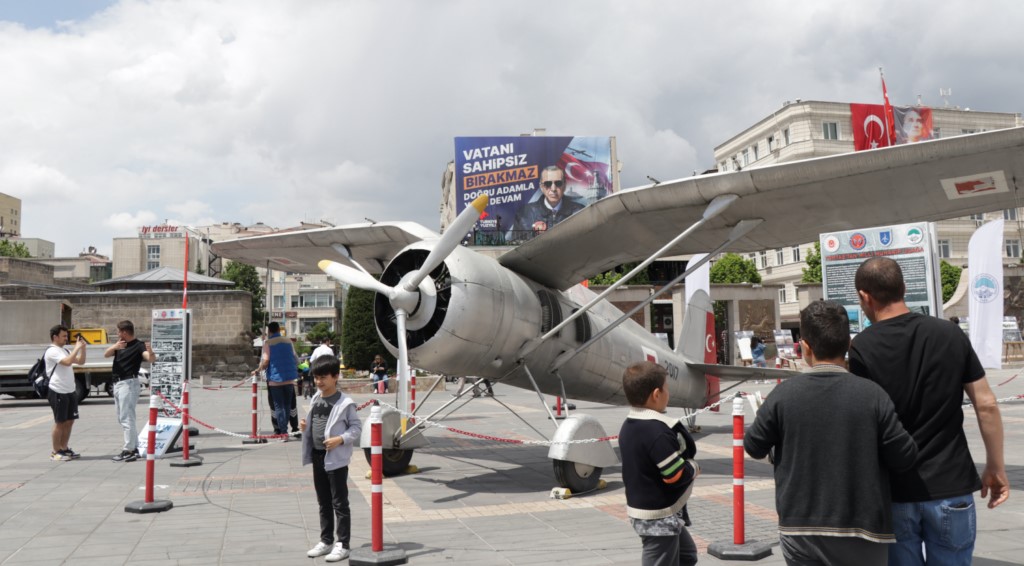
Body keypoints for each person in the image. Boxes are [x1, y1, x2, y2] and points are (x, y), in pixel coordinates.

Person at [849, 257, 1009, 565]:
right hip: (952, 486)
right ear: (904, 288)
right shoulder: (949, 334)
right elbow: (986, 404)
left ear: (864, 296)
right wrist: (995, 466)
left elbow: (862, 424)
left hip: (896, 492)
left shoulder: (862, 347)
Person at [744, 300, 919, 565]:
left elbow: (753, 445)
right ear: (849, 343)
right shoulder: (873, 395)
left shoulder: (784, 394)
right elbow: (904, 456)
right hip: (863, 529)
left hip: (800, 527)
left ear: (805, 347)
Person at [618, 360, 700, 566]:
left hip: (647, 510)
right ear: (656, 394)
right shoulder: (658, 431)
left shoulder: (629, 425)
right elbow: (674, 475)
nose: (668, 393)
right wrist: (693, 467)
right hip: (658, 515)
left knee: (686, 555)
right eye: (667, 389)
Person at [301, 354, 361, 563]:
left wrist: (340, 439)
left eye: (323, 377)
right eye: (316, 377)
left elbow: (356, 428)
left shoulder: (345, 403)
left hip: (335, 459)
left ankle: (343, 544)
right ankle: (326, 541)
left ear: (336, 376)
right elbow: (317, 423)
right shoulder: (317, 398)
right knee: (323, 501)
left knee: (339, 502)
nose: (318, 382)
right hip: (318, 455)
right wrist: (305, 427)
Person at [104, 320, 157, 462]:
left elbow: (150, 358)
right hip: (118, 383)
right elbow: (106, 354)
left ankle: (129, 450)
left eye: (118, 332)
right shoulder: (120, 345)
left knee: (127, 418)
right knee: (122, 417)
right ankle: (134, 447)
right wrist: (115, 346)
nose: (117, 334)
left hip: (128, 383)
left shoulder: (139, 346)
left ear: (124, 332)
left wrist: (151, 352)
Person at [45, 325, 87, 461]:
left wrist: (83, 348)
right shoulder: (52, 351)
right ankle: (55, 451)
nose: (66, 338)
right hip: (58, 390)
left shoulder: (65, 350)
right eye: (63, 336)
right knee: (60, 421)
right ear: (55, 337)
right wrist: (76, 348)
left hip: (70, 390)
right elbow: (68, 362)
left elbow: (80, 362)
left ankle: (64, 448)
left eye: (66, 336)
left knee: (70, 421)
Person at [251, 322, 299, 439]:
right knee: (287, 405)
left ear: (269, 331)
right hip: (289, 379)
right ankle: (286, 429)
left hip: (275, 380)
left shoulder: (268, 343)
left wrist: (257, 370)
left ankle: (283, 432)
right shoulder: (288, 341)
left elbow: (266, 361)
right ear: (279, 329)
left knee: (278, 407)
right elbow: (295, 358)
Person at [510, 165, 585, 239]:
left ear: (564, 185)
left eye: (558, 183)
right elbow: (517, 248)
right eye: (548, 184)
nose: (553, 189)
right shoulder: (524, 214)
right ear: (541, 187)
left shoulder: (580, 212)